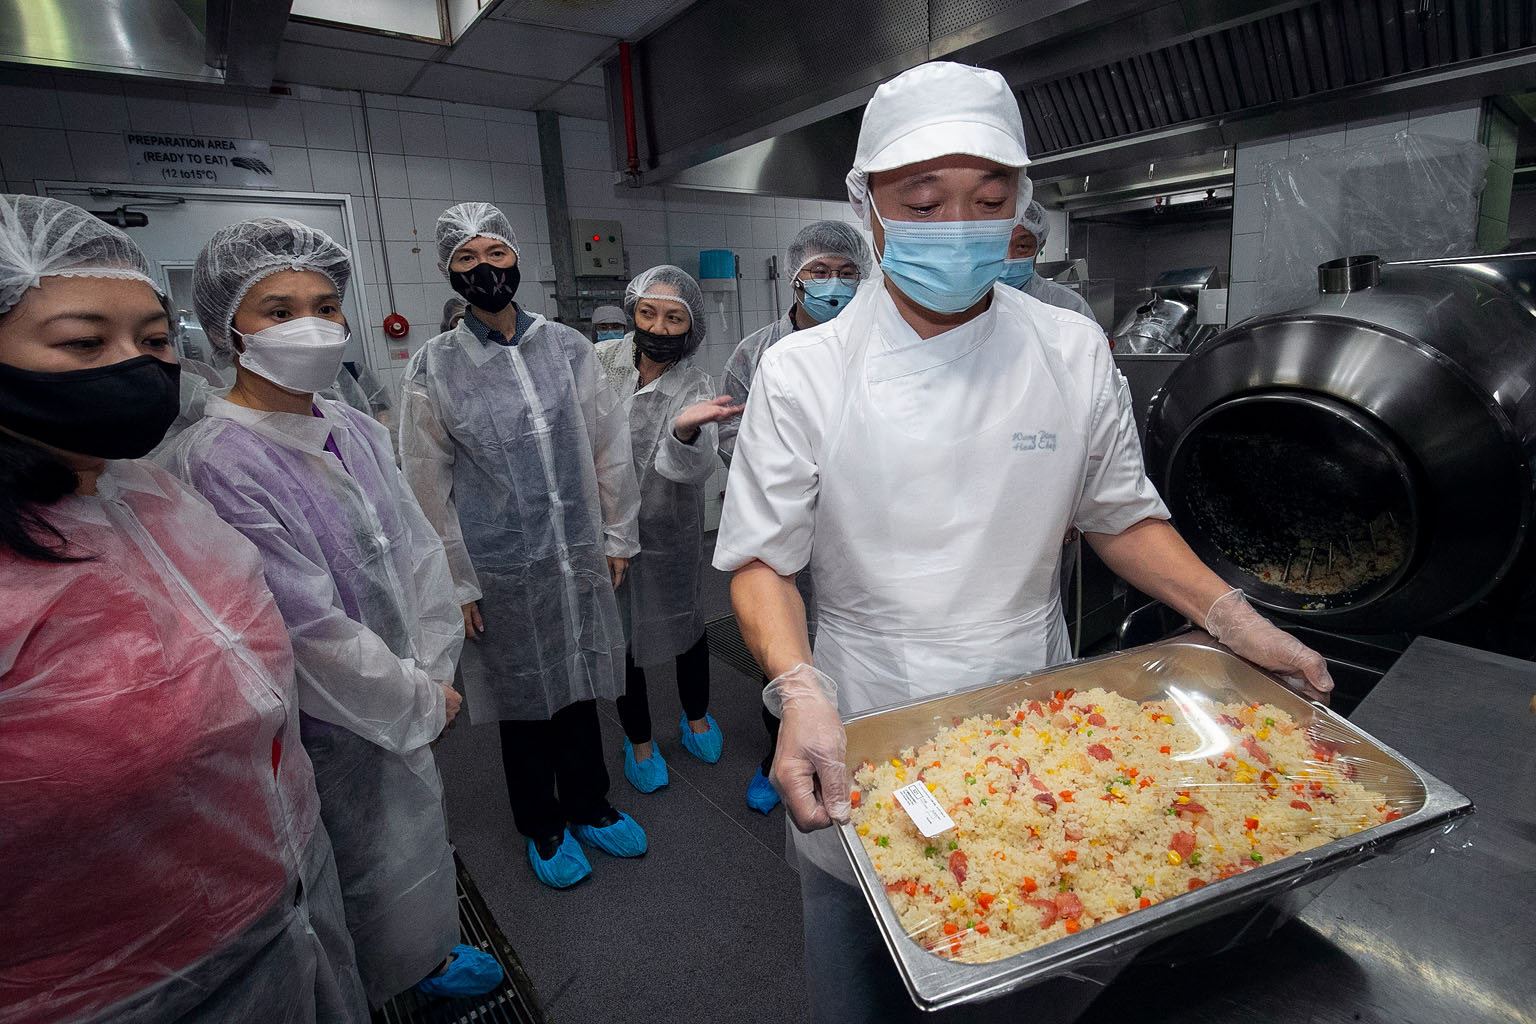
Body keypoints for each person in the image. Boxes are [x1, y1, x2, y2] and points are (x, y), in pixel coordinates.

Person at [712, 62, 1334, 1023]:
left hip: (1033, 711)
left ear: (1022, 204)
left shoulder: (1068, 349)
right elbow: (762, 559)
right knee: (861, 982)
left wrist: (1230, 616)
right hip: (863, 713)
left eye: (989, 198)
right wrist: (797, 689)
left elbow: (1120, 515)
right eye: (925, 201)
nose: (960, 224)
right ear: (867, 207)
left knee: (1018, 948)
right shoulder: (804, 370)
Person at [0, 195, 369, 1024]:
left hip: (286, 902)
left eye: (154, 341)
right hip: (116, 985)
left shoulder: (155, 498)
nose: (132, 367)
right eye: (84, 342)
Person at [158, 217, 502, 1006]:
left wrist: (431, 674)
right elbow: (305, 631)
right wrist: (415, 697)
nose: (309, 326)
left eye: (323, 306)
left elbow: (415, 553)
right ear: (229, 330)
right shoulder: (218, 460)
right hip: (316, 728)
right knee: (339, 868)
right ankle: (372, 985)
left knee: (409, 843)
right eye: (278, 311)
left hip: (404, 690)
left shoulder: (346, 424)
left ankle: (420, 960)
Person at [399, 202, 646, 889]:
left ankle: (590, 804)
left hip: (576, 553)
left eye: (496, 254)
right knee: (524, 697)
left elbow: (608, 446)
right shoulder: (433, 367)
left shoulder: (567, 348)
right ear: (449, 271)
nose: (485, 269)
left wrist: (617, 533)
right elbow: (425, 484)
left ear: (516, 258)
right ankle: (542, 821)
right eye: (467, 259)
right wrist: (455, 581)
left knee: (579, 680)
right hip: (499, 563)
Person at [717, 220, 874, 814]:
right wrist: (790, 472)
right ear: (794, 277)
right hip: (783, 522)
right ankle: (776, 753)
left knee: (851, 631)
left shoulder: (876, 343)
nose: (834, 284)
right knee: (782, 642)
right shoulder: (757, 352)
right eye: (819, 272)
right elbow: (731, 435)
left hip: (857, 525)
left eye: (846, 272)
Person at [594, 266, 743, 793]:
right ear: (632, 313)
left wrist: (682, 432)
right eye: (648, 313)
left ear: (690, 327)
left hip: (669, 529)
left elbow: (693, 469)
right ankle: (638, 739)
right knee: (621, 636)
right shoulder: (598, 363)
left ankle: (695, 717)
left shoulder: (695, 384)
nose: (658, 327)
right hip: (605, 528)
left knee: (687, 625)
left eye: (674, 318)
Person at [1000, 199, 1097, 320]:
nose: (1009, 257)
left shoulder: (1070, 306)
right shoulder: (977, 301)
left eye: (1022, 246)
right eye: (1000, 246)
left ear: (1040, 246)